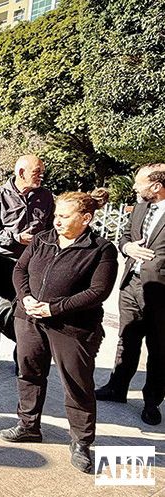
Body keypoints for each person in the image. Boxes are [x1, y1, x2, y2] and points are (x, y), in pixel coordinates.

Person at [0, 189, 117, 474]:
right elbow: (20, 270)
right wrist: (25, 298)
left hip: (72, 327)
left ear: (86, 218)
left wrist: (54, 308)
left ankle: (81, 442)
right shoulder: (42, 239)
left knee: (76, 383)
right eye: (56, 215)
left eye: (65, 216)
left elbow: (98, 291)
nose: (58, 221)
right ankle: (28, 425)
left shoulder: (101, 249)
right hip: (29, 319)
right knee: (29, 372)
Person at [96, 164, 165, 426]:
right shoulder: (139, 208)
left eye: (139, 182)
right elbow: (125, 235)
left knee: (158, 348)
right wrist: (128, 248)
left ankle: (152, 402)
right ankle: (117, 387)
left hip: (160, 292)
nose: (134, 186)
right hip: (130, 285)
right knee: (126, 338)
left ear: (156, 186)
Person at [0, 155, 55, 372]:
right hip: (3, 261)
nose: (41, 176)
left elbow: (52, 228)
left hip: (33, 263)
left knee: (25, 311)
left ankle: (20, 356)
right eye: (37, 171)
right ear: (21, 173)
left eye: (42, 172)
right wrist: (15, 237)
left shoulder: (46, 197)